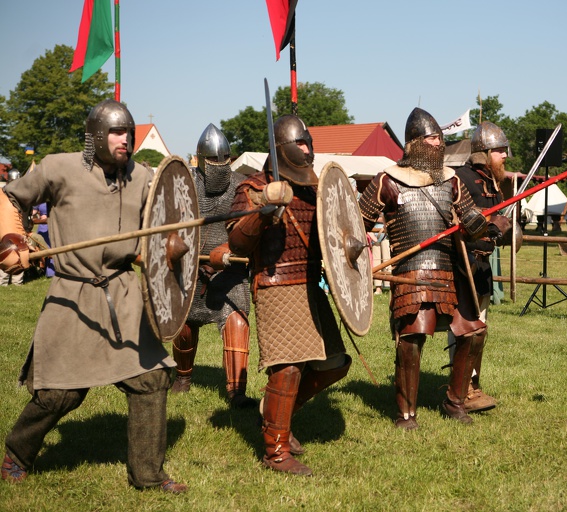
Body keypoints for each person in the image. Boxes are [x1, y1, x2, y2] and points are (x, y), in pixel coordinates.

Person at [0, 99, 186, 493]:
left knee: (151, 381)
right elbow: (10, 198)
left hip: (122, 290)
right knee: (59, 395)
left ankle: (148, 476)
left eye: (130, 133)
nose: (126, 140)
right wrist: (10, 241)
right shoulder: (58, 167)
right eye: (117, 132)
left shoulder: (143, 176)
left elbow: (170, 223)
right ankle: (17, 453)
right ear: (96, 136)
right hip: (74, 293)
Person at [357, 108, 509, 430]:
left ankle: (455, 402)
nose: (439, 143)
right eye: (433, 138)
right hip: (412, 272)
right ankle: (406, 414)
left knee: (474, 332)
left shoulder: (451, 179)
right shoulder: (388, 179)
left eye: (441, 138)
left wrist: (486, 225)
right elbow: (358, 223)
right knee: (412, 340)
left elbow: (470, 223)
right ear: (415, 143)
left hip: (451, 269)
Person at [227, 114, 351, 477]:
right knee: (289, 368)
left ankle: (275, 415)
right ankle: (275, 451)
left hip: (311, 284)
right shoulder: (253, 185)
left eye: (307, 141)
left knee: (335, 363)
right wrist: (265, 211)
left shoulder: (315, 187)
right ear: (280, 147)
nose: (306, 148)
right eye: (298, 143)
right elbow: (237, 239)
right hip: (276, 284)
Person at [170, 124, 254, 408]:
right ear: (201, 160)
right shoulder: (185, 184)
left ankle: (237, 391)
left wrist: (230, 249)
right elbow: (169, 224)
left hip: (230, 274)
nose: (219, 167)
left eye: (224, 161)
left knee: (238, 322)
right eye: (214, 161)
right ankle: (182, 376)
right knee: (183, 326)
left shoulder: (241, 185)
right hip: (190, 272)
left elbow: (248, 227)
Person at [446, 121, 519, 412]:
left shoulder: (491, 181)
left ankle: (471, 384)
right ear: (484, 152)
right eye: (500, 151)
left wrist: (505, 228)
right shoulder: (460, 178)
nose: (505, 156)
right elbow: (457, 220)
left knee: (480, 329)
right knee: (464, 329)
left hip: (483, 265)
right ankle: (460, 389)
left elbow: (496, 223)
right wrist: (490, 225)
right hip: (464, 264)